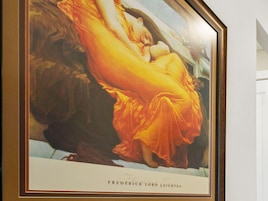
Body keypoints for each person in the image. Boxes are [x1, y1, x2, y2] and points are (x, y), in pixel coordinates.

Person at [58, 0, 203, 168]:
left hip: (116, 54)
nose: (147, 40)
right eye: (148, 36)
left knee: (174, 59)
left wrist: (148, 49)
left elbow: (145, 54)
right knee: (182, 98)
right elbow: (113, 26)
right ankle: (146, 138)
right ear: (140, 21)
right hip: (110, 56)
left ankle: (162, 109)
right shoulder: (121, 23)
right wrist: (138, 51)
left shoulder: (128, 25)